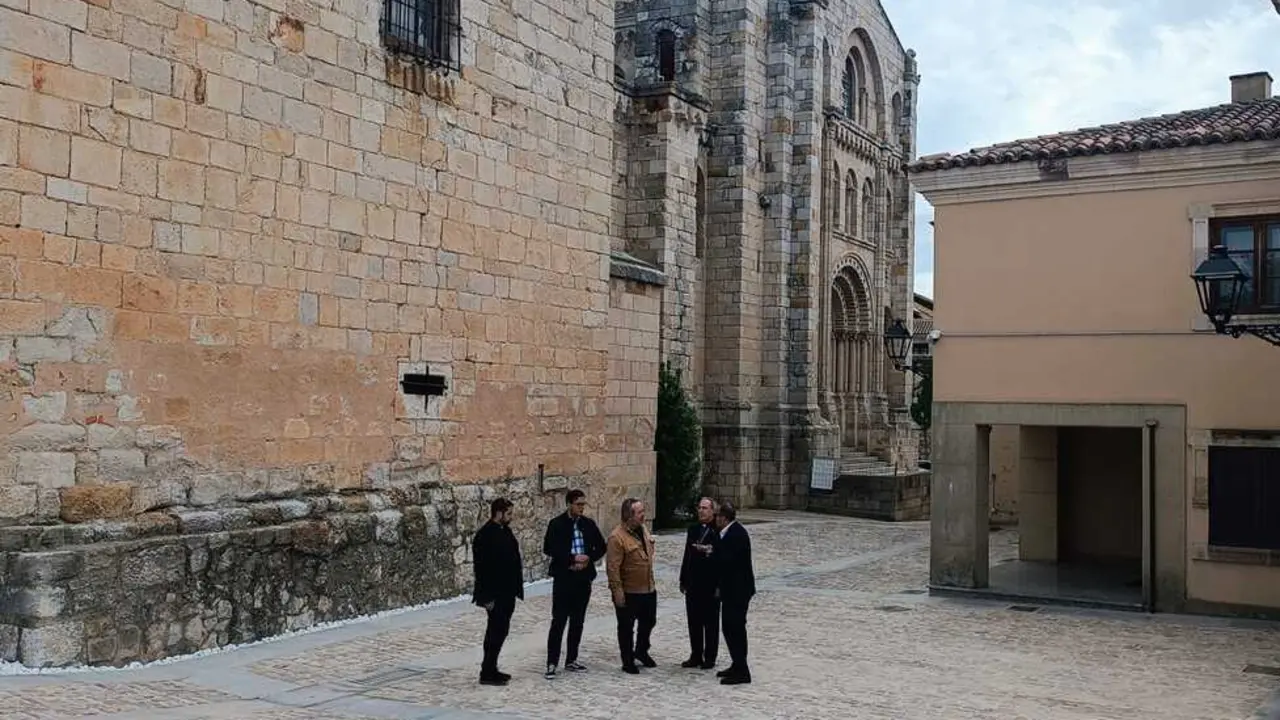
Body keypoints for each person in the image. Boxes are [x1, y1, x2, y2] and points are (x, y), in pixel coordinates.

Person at [542, 488, 607, 678]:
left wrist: (588, 558)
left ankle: (571, 659)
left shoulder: (588, 524)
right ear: (569, 504)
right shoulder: (556, 524)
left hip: (583, 579)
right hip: (564, 578)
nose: (581, 508)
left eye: (583, 504)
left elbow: (601, 546)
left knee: (578, 621)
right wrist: (572, 559)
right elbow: (549, 548)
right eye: (578, 504)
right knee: (559, 621)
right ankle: (552, 662)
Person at [472, 497, 524, 686]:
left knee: (501, 630)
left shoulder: (506, 532)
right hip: (494, 594)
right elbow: (481, 569)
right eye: (508, 513)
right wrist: (486, 597)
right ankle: (487, 671)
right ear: (499, 513)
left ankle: (492, 667)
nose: (511, 517)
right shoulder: (484, 536)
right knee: (494, 631)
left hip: (507, 592)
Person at [605, 497, 657, 674]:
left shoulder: (642, 529)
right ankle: (628, 660)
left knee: (649, 621)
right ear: (629, 515)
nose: (644, 516)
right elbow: (613, 568)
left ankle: (641, 650)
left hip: (648, 588)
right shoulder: (616, 538)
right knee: (627, 627)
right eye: (640, 512)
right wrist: (617, 592)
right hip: (629, 591)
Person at [713, 500, 755, 685]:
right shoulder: (727, 533)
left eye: (716, 516)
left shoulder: (736, 534)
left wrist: (711, 552)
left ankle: (742, 670)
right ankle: (737, 664)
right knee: (730, 628)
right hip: (731, 590)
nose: (715, 519)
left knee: (734, 628)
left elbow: (728, 562)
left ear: (723, 518)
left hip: (738, 591)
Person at [679, 497, 720, 670]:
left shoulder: (717, 530)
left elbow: (720, 560)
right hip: (693, 582)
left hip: (710, 584)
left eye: (705, 508)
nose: (701, 511)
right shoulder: (693, 529)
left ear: (713, 511)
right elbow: (687, 555)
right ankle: (695, 654)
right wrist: (683, 578)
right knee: (694, 621)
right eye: (700, 508)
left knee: (710, 622)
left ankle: (710, 656)